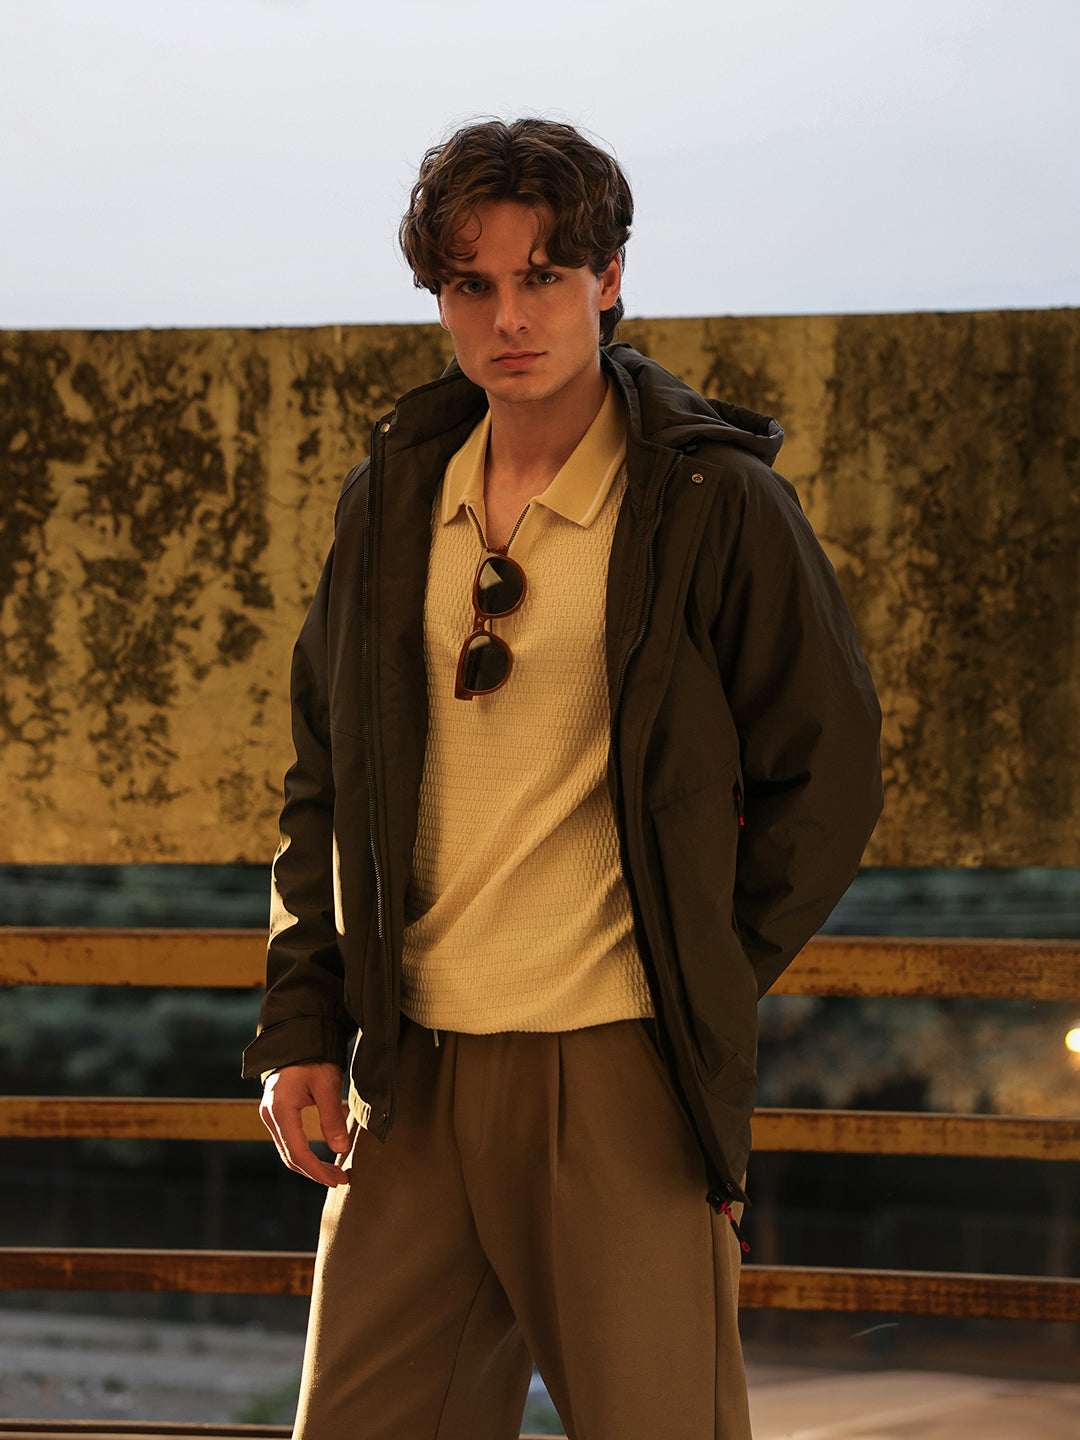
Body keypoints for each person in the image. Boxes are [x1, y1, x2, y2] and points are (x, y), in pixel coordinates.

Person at [243, 117, 882, 1440]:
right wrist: (302, 1023)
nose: (509, 316)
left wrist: (693, 976)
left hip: (616, 1068)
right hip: (409, 1074)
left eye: (542, 274)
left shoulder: (712, 502)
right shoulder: (391, 498)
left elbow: (828, 777)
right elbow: (326, 780)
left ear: (609, 276)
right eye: (470, 282)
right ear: (438, 299)